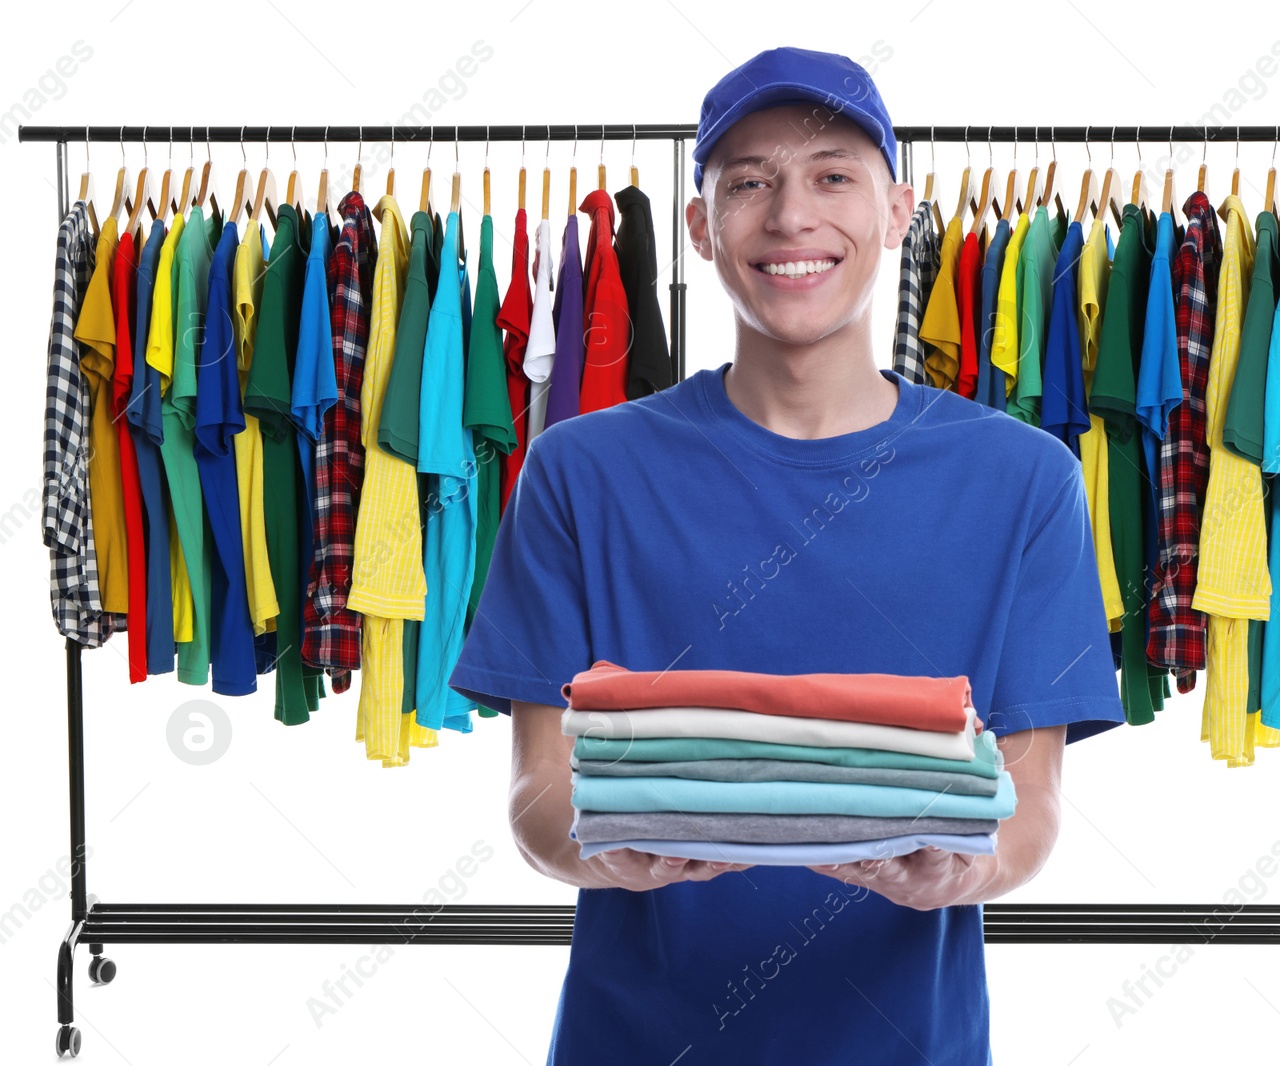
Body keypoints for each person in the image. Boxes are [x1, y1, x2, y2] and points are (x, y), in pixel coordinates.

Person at [449, 44, 1124, 1066]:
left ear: (898, 211)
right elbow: (538, 791)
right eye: (749, 182)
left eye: (831, 176)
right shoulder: (578, 472)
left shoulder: (1023, 482)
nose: (790, 215)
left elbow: (1030, 805)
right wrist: (607, 848)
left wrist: (963, 872)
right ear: (700, 227)